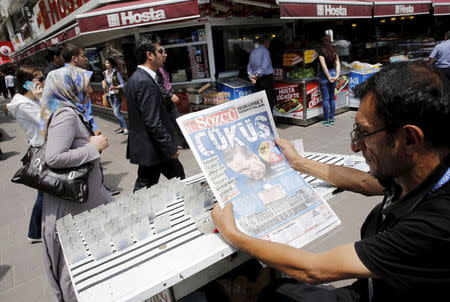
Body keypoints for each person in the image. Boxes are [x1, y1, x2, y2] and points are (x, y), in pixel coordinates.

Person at [212, 61, 450, 302]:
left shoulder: (437, 224)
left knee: (276, 295)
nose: (355, 147)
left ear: (409, 140)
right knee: (280, 291)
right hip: (372, 288)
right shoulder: (421, 170)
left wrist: (234, 234)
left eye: (363, 133)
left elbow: (314, 270)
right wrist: (299, 163)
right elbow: (364, 182)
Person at [40, 65, 111, 302]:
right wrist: (93, 147)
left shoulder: (66, 110)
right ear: (68, 87)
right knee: (76, 259)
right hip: (74, 204)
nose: (89, 90)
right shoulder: (66, 114)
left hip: (79, 200)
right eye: (83, 85)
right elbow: (54, 158)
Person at [125, 38, 185, 192]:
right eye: (161, 51)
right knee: (145, 186)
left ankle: (187, 203)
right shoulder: (143, 81)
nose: (164, 54)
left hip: (153, 147)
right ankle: (138, 213)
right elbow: (152, 121)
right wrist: (170, 147)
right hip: (153, 147)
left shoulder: (139, 78)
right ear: (149, 55)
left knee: (176, 176)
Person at [6, 66, 45, 243]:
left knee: (46, 192)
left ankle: (36, 231)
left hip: (47, 146)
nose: (44, 83)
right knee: (45, 192)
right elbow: (48, 119)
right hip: (42, 149)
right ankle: (35, 231)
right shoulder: (23, 105)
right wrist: (42, 98)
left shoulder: (32, 100)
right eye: (40, 79)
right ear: (27, 83)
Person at [154, 44, 188, 149]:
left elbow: (166, 82)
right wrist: (170, 95)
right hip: (163, 101)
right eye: (162, 52)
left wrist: (171, 92)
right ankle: (170, 146)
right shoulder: (155, 69)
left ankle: (186, 143)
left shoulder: (163, 67)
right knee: (167, 124)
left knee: (177, 121)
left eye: (165, 52)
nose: (165, 54)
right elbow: (158, 85)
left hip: (168, 99)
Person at [247, 36, 276, 110]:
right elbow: (264, 66)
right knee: (268, 99)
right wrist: (257, 75)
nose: (269, 44)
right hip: (266, 78)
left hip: (256, 79)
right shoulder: (265, 51)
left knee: (259, 99)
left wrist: (252, 76)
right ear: (266, 42)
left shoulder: (253, 51)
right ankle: (270, 118)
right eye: (269, 42)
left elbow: (249, 66)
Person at [318, 35, 341, 126]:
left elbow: (323, 66)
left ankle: (326, 119)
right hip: (333, 73)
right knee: (332, 97)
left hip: (324, 75)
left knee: (326, 98)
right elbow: (338, 63)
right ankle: (332, 118)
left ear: (323, 42)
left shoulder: (321, 51)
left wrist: (328, 77)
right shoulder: (334, 50)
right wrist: (337, 75)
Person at [102, 57, 128, 134]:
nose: (105, 64)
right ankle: (122, 128)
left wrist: (116, 87)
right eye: (105, 62)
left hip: (116, 94)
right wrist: (103, 83)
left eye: (107, 62)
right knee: (116, 113)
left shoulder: (116, 73)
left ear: (111, 64)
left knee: (116, 113)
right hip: (109, 95)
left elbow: (123, 84)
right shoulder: (105, 73)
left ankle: (125, 128)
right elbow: (106, 83)